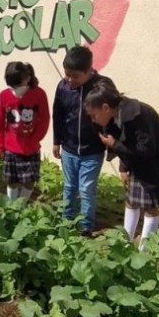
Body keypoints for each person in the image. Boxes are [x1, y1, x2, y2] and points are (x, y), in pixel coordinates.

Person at [84, 82, 159, 246]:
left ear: (105, 107)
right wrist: (123, 167)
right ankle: (125, 242)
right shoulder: (115, 115)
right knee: (131, 201)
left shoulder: (137, 115)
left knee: (149, 207)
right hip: (140, 162)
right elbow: (124, 141)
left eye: (94, 115)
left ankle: (145, 249)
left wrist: (115, 145)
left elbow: (145, 149)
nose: (93, 120)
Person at [52, 46, 115, 236]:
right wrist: (57, 140)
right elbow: (58, 114)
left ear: (89, 71)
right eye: (67, 74)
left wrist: (113, 146)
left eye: (75, 76)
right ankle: (66, 219)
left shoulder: (102, 87)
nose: (70, 80)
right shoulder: (63, 86)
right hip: (69, 148)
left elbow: (112, 116)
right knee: (69, 186)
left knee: (87, 189)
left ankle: (86, 227)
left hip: (93, 150)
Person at [0, 61, 50, 201]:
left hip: (31, 147)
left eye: (18, 85)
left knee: (30, 181)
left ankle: (21, 205)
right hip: (11, 147)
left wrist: (35, 139)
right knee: (11, 181)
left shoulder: (39, 94)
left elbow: (44, 119)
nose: (15, 89)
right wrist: (0, 147)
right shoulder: (4, 95)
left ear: (27, 78)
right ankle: (12, 207)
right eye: (12, 86)